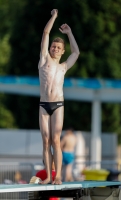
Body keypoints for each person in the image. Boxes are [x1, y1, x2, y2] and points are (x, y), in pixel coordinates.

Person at [38, 9, 80, 185]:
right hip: (43, 105)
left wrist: (69, 33)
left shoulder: (63, 66)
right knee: (46, 140)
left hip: (58, 105)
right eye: (53, 46)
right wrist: (53, 17)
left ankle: (58, 176)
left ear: (62, 51)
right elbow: (46, 32)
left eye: (58, 48)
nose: (54, 48)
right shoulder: (43, 60)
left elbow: (76, 53)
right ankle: (48, 175)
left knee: (56, 139)